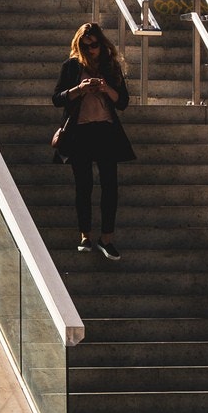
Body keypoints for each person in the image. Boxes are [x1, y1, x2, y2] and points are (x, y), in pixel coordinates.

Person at [51, 22, 134, 260]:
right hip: (80, 131)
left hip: (106, 131)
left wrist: (106, 88)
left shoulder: (110, 67)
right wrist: (80, 88)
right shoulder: (71, 67)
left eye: (94, 45)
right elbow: (57, 98)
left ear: (101, 43)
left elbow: (123, 102)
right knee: (83, 185)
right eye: (85, 47)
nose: (91, 50)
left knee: (110, 186)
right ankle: (85, 235)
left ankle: (106, 238)